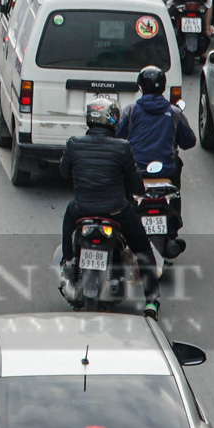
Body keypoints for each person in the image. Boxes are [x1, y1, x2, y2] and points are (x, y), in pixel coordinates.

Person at [58, 96, 160, 315]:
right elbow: (135, 184)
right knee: (142, 249)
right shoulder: (122, 147)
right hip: (117, 212)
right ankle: (151, 300)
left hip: (82, 209)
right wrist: (139, 192)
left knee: (68, 216)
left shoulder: (74, 144)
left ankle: (68, 258)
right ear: (113, 119)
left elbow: (64, 172)